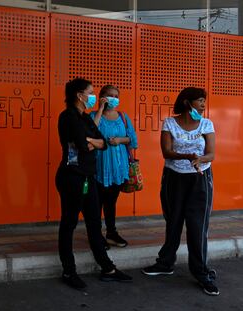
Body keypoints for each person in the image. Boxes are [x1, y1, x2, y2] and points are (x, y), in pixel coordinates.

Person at [56, 78, 132, 290]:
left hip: (88, 177)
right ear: (79, 95)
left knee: (93, 224)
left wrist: (90, 141)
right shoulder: (68, 117)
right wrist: (90, 142)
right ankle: (69, 271)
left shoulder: (85, 118)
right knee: (69, 224)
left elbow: (101, 143)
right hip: (71, 178)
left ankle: (107, 268)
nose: (93, 97)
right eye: (90, 93)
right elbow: (82, 145)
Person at [141, 87, 218, 296]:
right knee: (173, 222)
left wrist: (201, 159)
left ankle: (202, 273)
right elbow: (166, 151)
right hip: (173, 179)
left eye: (204, 101)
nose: (203, 105)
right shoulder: (169, 123)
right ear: (187, 102)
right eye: (200, 101)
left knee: (197, 226)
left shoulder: (206, 124)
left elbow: (211, 154)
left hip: (200, 179)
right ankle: (165, 263)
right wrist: (187, 156)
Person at [91, 85, 138, 248]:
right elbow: (89, 133)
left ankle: (111, 233)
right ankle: (96, 236)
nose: (113, 98)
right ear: (101, 97)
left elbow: (133, 140)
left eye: (116, 96)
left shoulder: (123, 117)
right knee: (96, 203)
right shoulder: (92, 116)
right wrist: (100, 109)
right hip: (98, 167)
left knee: (111, 202)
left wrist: (119, 140)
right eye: (109, 95)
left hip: (118, 168)